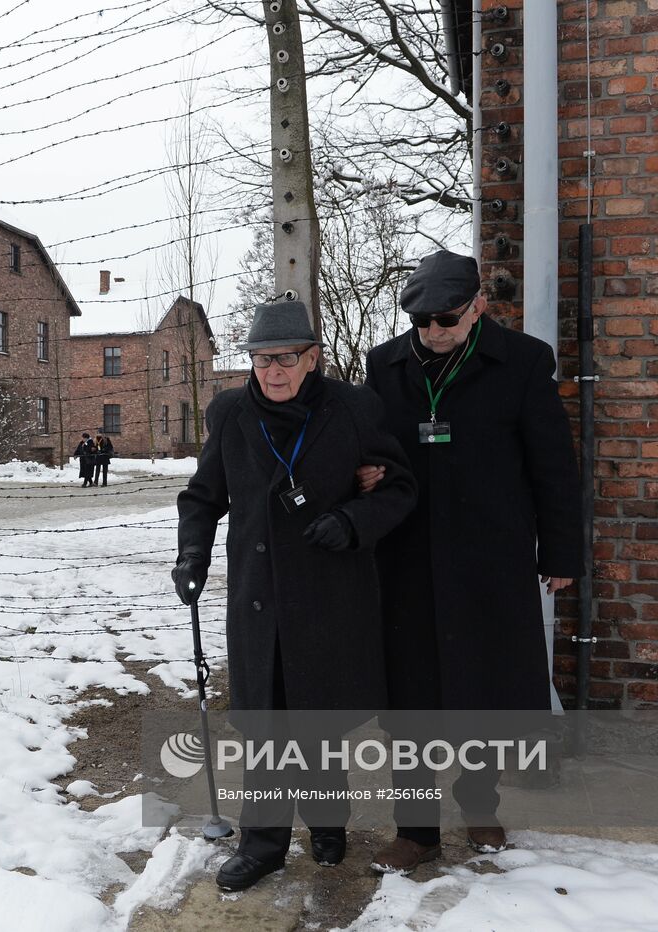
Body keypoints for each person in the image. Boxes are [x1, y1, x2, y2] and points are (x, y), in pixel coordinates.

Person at [174, 299, 417, 892]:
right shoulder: (230, 414)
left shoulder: (353, 409)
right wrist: (192, 555)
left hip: (330, 593)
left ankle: (328, 823)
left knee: (321, 721)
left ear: (312, 358)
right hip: (260, 599)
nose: (270, 372)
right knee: (266, 727)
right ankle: (263, 846)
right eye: (259, 360)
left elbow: (400, 487)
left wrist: (354, 521)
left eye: (283, 359)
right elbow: (204, 497)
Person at [359, 250, 582, 873]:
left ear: (478, 305)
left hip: (490, 555)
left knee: (481, 688)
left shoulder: (524, 362)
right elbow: (367, 445)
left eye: (446, 320)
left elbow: (553, 466)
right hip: (406, 559)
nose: (432, 332)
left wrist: (560, 551)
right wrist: (364, 474)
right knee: (411, 697)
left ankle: (479, 800)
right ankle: (416, 828)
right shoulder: (386, 366)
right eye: (421, 321)